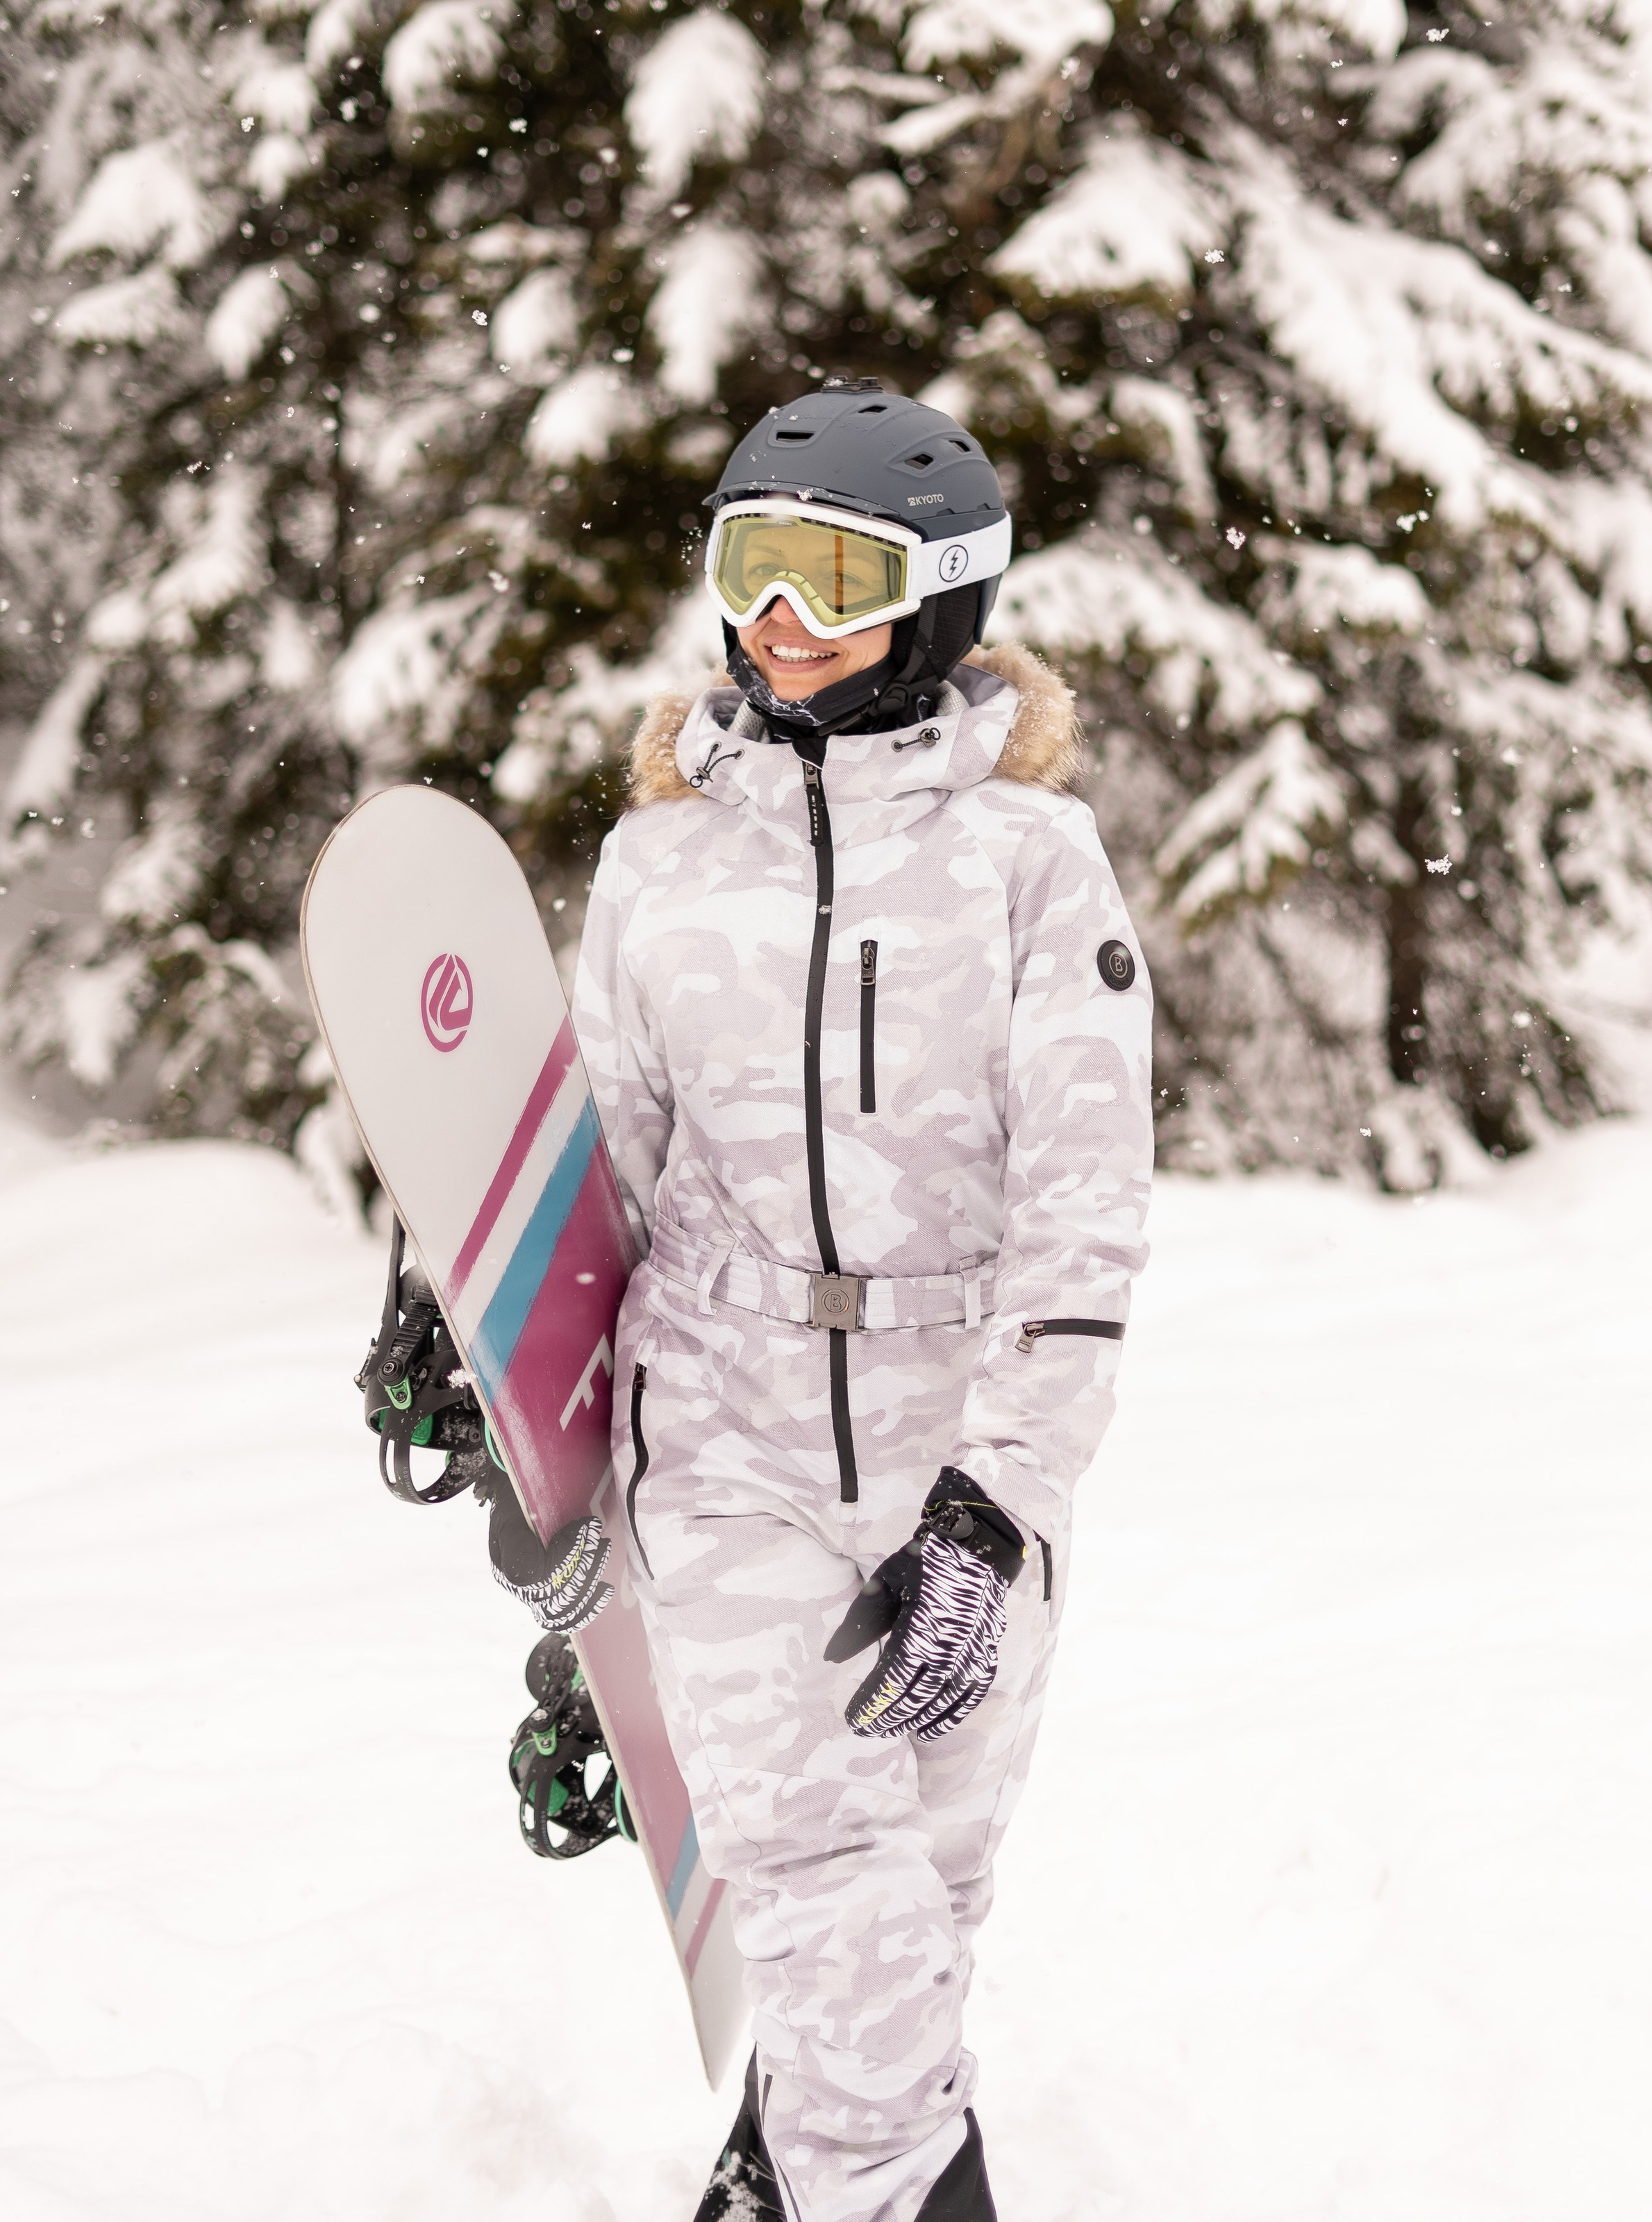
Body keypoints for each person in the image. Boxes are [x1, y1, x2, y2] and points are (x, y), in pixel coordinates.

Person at [571, 377, 1153, 2222]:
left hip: (952, 1417)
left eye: (837, 579)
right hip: (719, 1416)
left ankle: (778, 2172)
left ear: (947, 597)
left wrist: (1000, 1504)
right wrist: (565, 1584)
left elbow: (1085, 1213)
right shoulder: (657, 862)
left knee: (923, 1899)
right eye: (755, 571)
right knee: (827, 1878)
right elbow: (600, 1178)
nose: (783, 625)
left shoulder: (1031, 869)